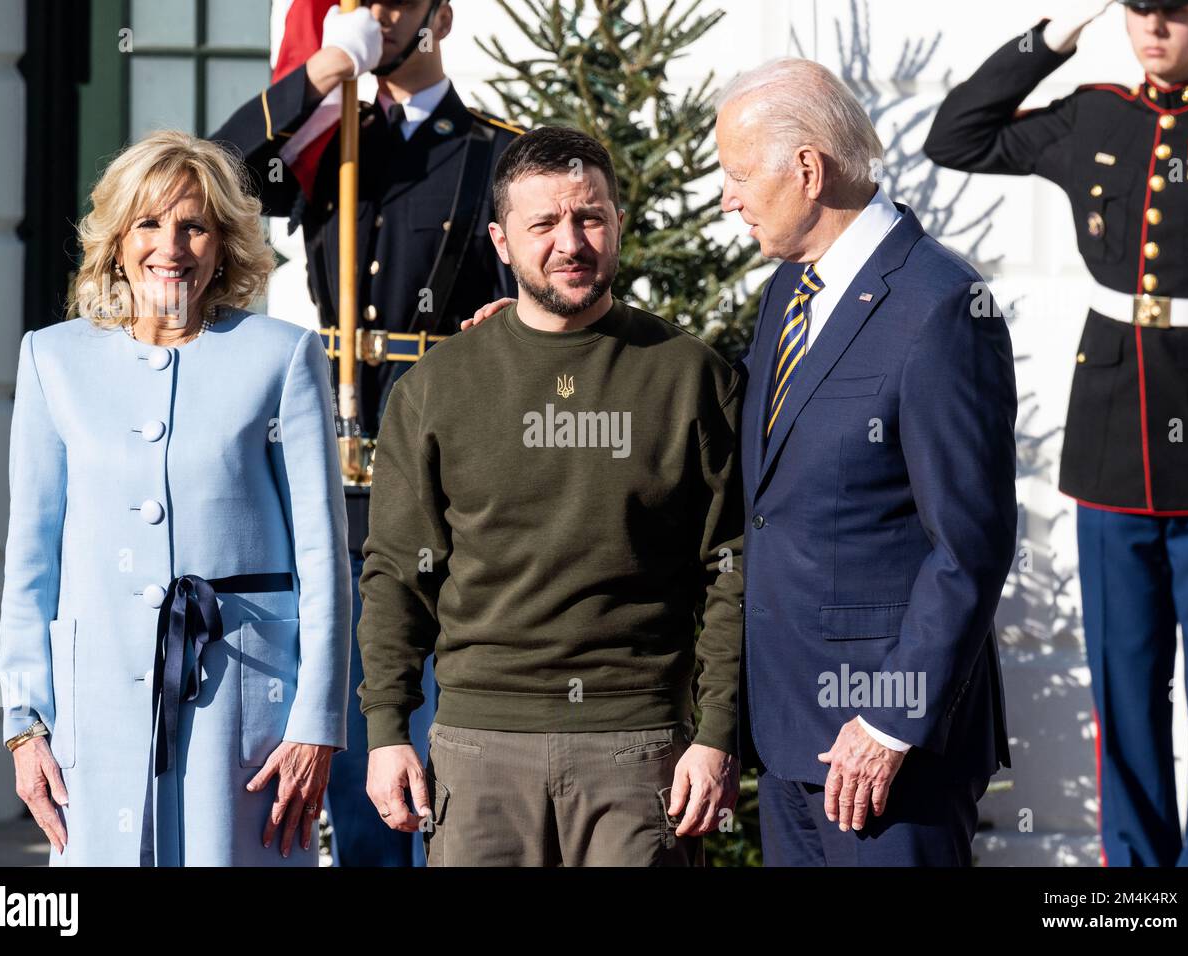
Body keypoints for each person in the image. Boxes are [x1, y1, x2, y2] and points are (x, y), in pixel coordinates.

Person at [357, 127, 745, 866]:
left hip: (641, 753)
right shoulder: (436, 390)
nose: (571, 242)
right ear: (502, 241)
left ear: (618, 225)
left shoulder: (689, 377)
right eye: (544, 224)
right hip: (477, 750)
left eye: (590, 217)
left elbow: (733, 568)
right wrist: (386, 732)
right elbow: (397, 576)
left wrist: (717, 732)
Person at [210, 0, 519, 866]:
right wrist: (315, 77)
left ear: (440, 16)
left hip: (446, 477)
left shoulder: (492, 150)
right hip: (333, 478)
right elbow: (215, 171)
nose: (375, 15)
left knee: (432, 739)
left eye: (392, 0)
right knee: (351, 748)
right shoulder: (322, 142)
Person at [924, 0, 1188, 867]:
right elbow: (958, 135)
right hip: (1111, 448)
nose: (1154, 29)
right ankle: (1138, 885)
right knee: (1125, 688)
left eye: (1173, 12)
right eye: (1139, 10)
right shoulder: (1096, 115)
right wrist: (1054, 33)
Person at [0, 130, 351, 866]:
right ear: (118, 241)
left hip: (245, 715)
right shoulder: (52, 359)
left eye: (195, 225)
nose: (173, 245)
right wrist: (26, 724)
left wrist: (316, 723)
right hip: (95, 714)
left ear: (223, 243)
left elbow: (324, 559)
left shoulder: (281, 357)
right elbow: (30, 559)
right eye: (149, 223)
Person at [715, 59, 1017, 866]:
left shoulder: (942, 306)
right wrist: (539, 335)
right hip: (790, 740)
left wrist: (889, 723)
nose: (728, 199)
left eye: (740, 176)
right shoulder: (789, 289)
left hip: (887, 758)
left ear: (808, 169)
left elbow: (971, 547)